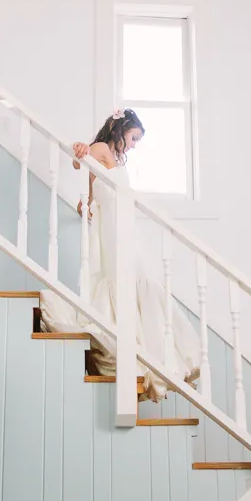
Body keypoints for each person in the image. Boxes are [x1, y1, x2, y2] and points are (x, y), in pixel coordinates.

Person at [38, 108, 200, 402]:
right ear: (121, 128)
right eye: (134, 137)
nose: (134, 144)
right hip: (112, 229)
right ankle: (133, 354)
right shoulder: (98, 148)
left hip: (126, 228)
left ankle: (159, 357)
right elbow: (81, 170)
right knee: (121, 280)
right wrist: (79, 151)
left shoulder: (119, 160)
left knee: (142, 281)